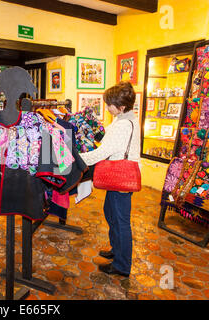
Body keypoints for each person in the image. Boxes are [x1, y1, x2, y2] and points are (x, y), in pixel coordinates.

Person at [79, 81, 141, 277]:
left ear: (121, 106)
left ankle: (122, 265)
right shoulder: (125, 118)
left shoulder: (123, 124)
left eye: (109, 104)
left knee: (121, 221)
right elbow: (108, 144)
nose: (107, 107)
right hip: (118, 176)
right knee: (111, 213)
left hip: (120, 177)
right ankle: (117, 249)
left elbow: (103, 152)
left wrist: (76, 158)